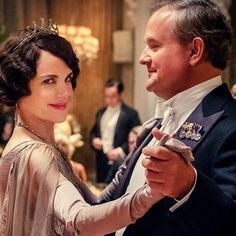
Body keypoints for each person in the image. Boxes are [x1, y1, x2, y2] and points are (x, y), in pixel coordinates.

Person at [0, 19, 165, 235]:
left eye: (67, 79)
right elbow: (80, 220)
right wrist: (151, 193)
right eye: (49, 81)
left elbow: (97, 201)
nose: (65, 92)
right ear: (19, 86)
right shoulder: (36, 153)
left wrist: (136, 150)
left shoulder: (37, 143)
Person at [98, 1, 236, 235]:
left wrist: (189, 187)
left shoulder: (230, 124)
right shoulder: (159, 121)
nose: (143, 58)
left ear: (194, 51)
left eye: (154, 45)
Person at [90, 78, 141, 184]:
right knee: (101, 190)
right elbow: (93, 132)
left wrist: (120, 151)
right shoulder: (100, 113)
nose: (109, 100)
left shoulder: (131, 114)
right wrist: (93, 140)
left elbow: (138, 137)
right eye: (107, 96)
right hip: (101, 160)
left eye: (112, 96)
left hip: (121, 162)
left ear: (120, 94)